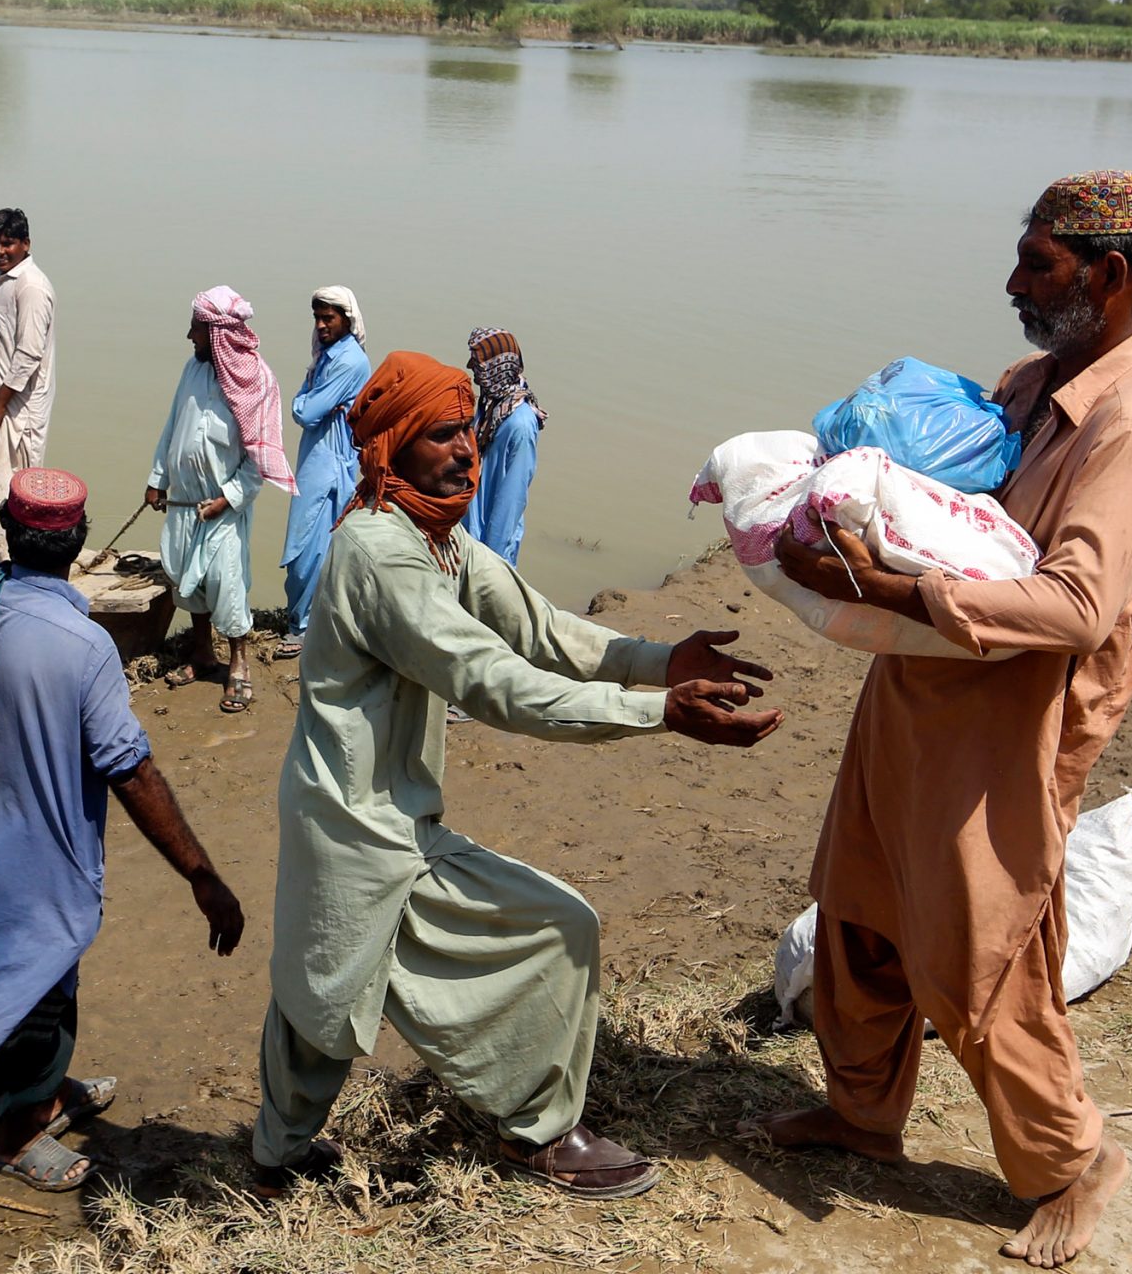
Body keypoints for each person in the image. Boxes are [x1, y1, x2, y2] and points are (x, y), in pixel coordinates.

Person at [760, 171, 1132, 1270]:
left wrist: (896, 593)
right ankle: (864, 1118)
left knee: (979, 959)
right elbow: (946, 514)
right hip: (915, 687)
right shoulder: (1025, 383)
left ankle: (1070, 1164)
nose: (1011, 282)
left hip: (1011, 725)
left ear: (1107, 277)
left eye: (1035, 263)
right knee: (857, 909)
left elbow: (1076, 606)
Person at [252, 351, 782, 1204]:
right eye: (441, 434)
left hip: (390, 817)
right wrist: (659, 713)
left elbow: (537, 630)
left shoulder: (441, 540)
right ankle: (514, 1136)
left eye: (468, 429)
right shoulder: (380, 555)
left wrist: (657, 661)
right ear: (391, 447)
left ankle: (526, 1122)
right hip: (354, 824)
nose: (466, 450)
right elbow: (492, 681)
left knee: (341, 984)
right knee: (324, 999)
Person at [0, 467, 246, 1192]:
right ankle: (15, 1138)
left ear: (10, 537)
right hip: (35, 849)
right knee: (27, 988)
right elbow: (131, 771)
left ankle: (46, 1096)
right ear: (77, 541)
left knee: (45, 976)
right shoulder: (84, 645)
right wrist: (201, 874)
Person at [146, 286, 293, 716]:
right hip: (184, 501)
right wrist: (157, 478)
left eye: (195, 328)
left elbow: (259, 457)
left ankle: (239, 665)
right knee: (183, 579)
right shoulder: (192, 370)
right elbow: (172, 425)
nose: (189, 336)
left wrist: (227, 500)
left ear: (217, 332)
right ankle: (202, 654)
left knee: (226, 587)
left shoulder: (256, 382)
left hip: (223, 508)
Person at [276, 285, 370, 661]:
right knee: (311, 545)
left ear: (347, 319)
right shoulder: (327, 356)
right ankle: (309, 621)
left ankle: (302, 628)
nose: (320, 325)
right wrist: (309, 400)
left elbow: (304, 412)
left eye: (328, 318)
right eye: (317, 318)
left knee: (310, 549)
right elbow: (307, 405)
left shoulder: (349, 362)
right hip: (316, 460)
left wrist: (307, 401)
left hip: (332, 465)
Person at [0, 209, 57, 525]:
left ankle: (19, 568)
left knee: (16, 491)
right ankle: (9, 564)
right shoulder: (7, 276)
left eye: (8, 244)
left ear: (26, 244)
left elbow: (29, 354)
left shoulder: (31, 287)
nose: (0, 251)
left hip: (17, 409)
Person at [460, 327, 546, 567]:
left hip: (490, 546)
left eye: (477, 363)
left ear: (496, 367)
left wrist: (492, 559)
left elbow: (512, 499)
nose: (470, 368)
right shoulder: (491, 407)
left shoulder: (519, 424)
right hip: (470, 532)